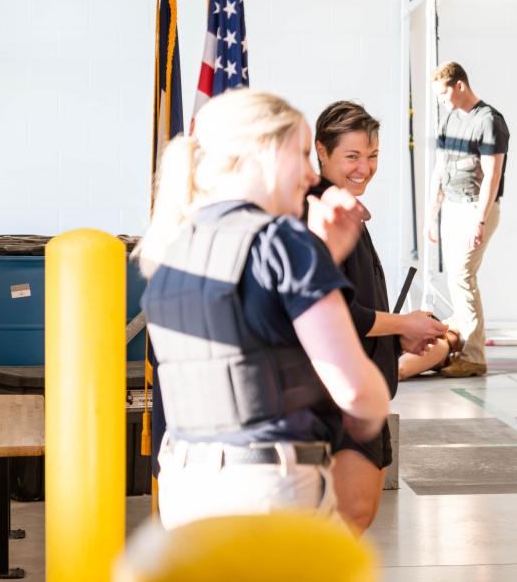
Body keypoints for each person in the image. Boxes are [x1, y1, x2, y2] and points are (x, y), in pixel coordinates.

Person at [136, 89, 390, 530]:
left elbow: (248, 348)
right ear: (265, 153)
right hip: (267, 489)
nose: (312, 175)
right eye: (302, 154)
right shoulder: (282, 242)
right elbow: (358, 395)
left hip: (185, 488)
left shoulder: (171, 248)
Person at [306, 101, 447, 534]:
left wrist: (396, 336)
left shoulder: (344, 208)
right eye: (352, 156)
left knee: (355, 517)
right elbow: (334, 312)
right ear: (321, 152)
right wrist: (403, 324)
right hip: (336, 397)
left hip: (359, 390)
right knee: (345, 519)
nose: (365, 168)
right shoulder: (319, 214)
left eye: (373, 156)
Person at [425, 61, 509, 378]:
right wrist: (431, 216)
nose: (442, 101)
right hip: (452, 205)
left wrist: (480, 219)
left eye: (444, 94)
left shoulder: (489, 121)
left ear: (459, 85)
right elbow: (440, 168)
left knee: (462, 275)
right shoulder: (450, 118)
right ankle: (460, 347)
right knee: (455, 279)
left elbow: (492, 174)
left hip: (477, 207)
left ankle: (474, 357)